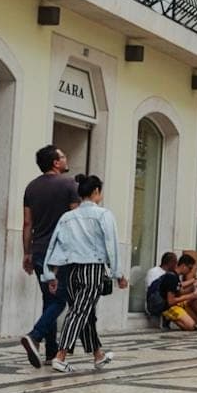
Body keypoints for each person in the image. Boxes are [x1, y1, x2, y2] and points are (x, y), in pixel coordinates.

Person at [43, 174, 127, 372]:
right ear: (96, 191)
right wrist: (118, 274)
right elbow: (111, 245)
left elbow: (55, 245)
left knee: (84, 313)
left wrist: (50, 273)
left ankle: (98, 354)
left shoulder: (67, 217)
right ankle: (60, 356)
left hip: (70, 270)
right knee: (79, 311)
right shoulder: (104, 215)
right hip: (92, 269)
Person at [19, 145, 78, 368]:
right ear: (55, 163)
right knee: (60, 300)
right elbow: (75, 220)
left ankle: (51, 352)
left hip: (39, 250)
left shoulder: (31, 187)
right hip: (61, 253)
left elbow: (27, 223)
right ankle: (34, 336)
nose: (65, 159)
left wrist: (27, 252)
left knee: (48, 299)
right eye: (62, 156)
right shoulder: (69, 184)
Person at [153, 253, 197, 331]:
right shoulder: (171, 277)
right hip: (167, 307)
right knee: (191, 326)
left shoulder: (175, 276)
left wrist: (193, 288)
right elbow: (171, 301)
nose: (190, 271)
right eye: (189, 268)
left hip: (174, 304)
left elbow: (180, 292)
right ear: (183, 266)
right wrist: (191, 296)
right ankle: (168, 318)